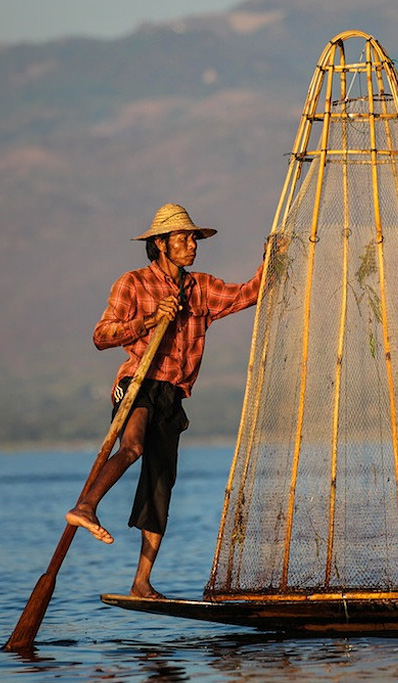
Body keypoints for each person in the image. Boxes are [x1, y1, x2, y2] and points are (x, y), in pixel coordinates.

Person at [65, 203, 262, 599]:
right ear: (160, 244)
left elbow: (247, 295)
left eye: (193, 238)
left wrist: (272, 260)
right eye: (183, 238)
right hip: (138, 381)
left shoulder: (199, 288)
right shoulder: (133, 283)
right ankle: (86, 505)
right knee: (133, 445)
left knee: (161, 485)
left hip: (173, 392)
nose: (192, 245)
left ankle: (141, 582)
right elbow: (101, 336)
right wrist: (149, 320)